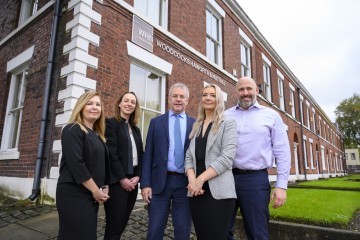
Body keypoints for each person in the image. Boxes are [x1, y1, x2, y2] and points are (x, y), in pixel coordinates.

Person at [225, 77, 291, 240]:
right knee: (222, 229)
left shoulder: (271, 115)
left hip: (255, 180)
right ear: (236, 92)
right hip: (226, 178)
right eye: (241, 89)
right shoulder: (225, 115)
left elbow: (282, 151)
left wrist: (281, 185)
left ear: (257, 91)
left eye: (249, 89)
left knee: (257, 233)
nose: (245, 93)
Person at [140, 83, 195, 240]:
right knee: (155, 229)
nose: (178, 99)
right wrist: (145, 184)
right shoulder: (156, 122)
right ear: (169, 98)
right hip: (159, 182)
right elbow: (148, 153)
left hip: (185, 184)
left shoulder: (195, 124)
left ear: (187, 100)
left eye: (182, 97)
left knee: (183, 229)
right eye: (175, 96)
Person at [185, 84, 238, 240]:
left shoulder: (228, 122)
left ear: (219, 99)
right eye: (205, 94)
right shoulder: (196, 125)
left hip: (219, 193)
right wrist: (192, 180)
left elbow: (227, 157)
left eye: (213, 95)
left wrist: (200, 179)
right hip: (196, 192)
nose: (208, 98)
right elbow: (188, 156)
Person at [56, 91, 110, 240]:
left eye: (98, 104)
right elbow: (77, 165)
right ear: (81, 106)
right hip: (73, 193)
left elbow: (102, 163)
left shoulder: (98, 135)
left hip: (89, 194)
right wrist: (95, 191)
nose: (95, 107)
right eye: (90, 103)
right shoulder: (72, 129)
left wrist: (104, 185)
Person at [103, 92, 144, 239]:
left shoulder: (136, 129)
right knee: (114, 225)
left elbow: (141, 154)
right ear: (119, 104)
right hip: (117, 182)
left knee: (122, 224)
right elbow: (111, 154)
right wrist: (122, 179)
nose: (129, 104)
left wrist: (138, 175)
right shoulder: (111, 124)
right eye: (126, 100)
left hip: (133, 181)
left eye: (133, 102)